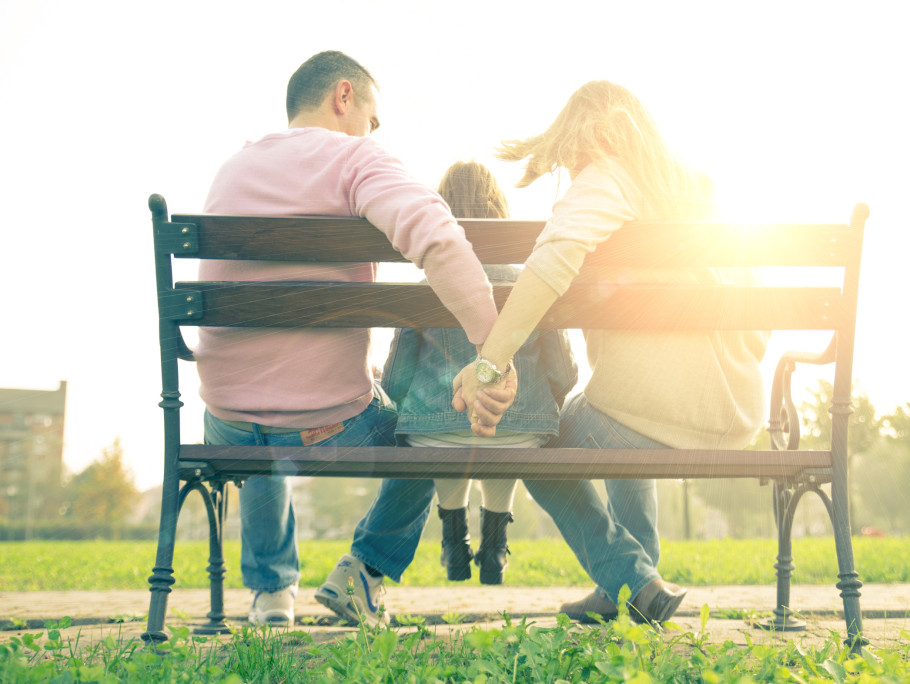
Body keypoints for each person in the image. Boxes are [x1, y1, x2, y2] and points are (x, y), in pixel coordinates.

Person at [196, 50, 508, 628]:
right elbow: (437, 239)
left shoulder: (231, 170)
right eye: (372, 117)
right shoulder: (355, 158)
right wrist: (493, 350)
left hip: (226, 420)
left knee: (264, 427)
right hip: (325, 424)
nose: (372, 131)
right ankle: (363, 571)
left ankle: (271, 595)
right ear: (344, 97)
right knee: (438, 433)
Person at [453, 81, 770, 623]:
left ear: (597, 138)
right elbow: (759, 326)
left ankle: (630, 577)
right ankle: (629, 580)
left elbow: (552, 261)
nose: (574, 175)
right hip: (737, 410)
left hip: (656, 410)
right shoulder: (701, 188)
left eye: (572, 159)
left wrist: (489, 362)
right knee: (616, 407)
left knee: (538, 445)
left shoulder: (609, 176)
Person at [380, 161, 577, 584]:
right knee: (502, 438)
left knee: (447, 436)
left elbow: (395, 381)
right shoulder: (530, 285)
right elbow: (563, 373)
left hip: (434, 434)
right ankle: (495, 545)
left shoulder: (425, 288)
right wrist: (536, 404)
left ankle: (454, 540)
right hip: (520, 433)